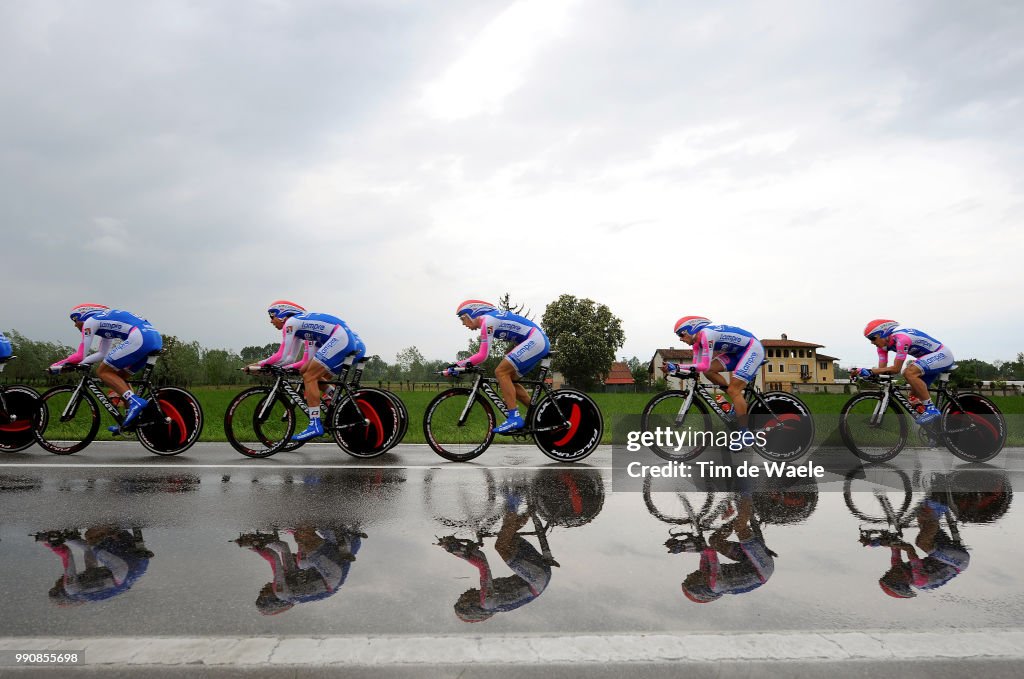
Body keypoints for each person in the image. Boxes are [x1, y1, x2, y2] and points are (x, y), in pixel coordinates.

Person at [249, 304, 365, 442]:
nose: (271, 321)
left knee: (310, 376)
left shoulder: (290, 324)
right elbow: (291, 358)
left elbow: (281, 355)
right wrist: (278, 367)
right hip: (341, 336)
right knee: (306, 371)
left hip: (340, 337)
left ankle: (315, 424)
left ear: (282, 314)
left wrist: (258, 365)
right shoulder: (301, 330)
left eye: (272, 316)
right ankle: (339, 401)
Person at [50, 305, 163, 431]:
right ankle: (128, 421)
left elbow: (80, 355)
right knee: (119, 378)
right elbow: (102, 354)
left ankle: (135, 402)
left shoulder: (90, 322)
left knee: (102, 372)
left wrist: (56, 365)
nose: (75, 325)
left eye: (75, 320)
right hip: (154, 338)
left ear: (82, 315)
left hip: (140, 337)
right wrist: (83, 363)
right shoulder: (103, 324)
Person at [446, 300, 550, 434]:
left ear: (471, 313)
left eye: (463, 319)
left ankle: (514, 417)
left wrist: (457, 365)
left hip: (536, 339)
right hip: (536, 340)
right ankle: (539, 415)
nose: (463, 324)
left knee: (501, 372)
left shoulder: (487, 321)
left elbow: (482, 355)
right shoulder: (490, 319)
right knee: (510, 380)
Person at [661, 316, 764, 430]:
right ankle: (736, 400)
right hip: (737, 352)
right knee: (709, 372)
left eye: (681, 335)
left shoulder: (706, 336)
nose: (680, 339)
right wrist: (675, 371)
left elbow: (704, 365)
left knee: (733, 390)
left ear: (691, 330)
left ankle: (745, 433)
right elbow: (697, 368)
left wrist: (677, 366)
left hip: (752, 349)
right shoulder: (696, 344)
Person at [669, 495, 776, 603]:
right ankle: (746, 491)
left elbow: (704, 549)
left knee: (715, 541)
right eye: (689, 580)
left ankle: (733, 512)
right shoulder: (716, 585)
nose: (688, 575)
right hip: (762, 569)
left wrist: (682, 546)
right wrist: (686, 547)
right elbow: (710, 553)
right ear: (697, 586)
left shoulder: (704, 573)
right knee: (740, 527)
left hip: (748, 562)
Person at [853, 320, 954, 424]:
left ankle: (932, 410)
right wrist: (865, 374)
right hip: (929, 359)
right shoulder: (882, 348)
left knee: (909, 372)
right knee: (913, 399)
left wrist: (871, 371)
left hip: (943, 354)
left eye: (872, 338)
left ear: (883, 333)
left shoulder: (902, 339)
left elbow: (896, 369)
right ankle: (934, 431)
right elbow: (882, 373)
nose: (871, 342)